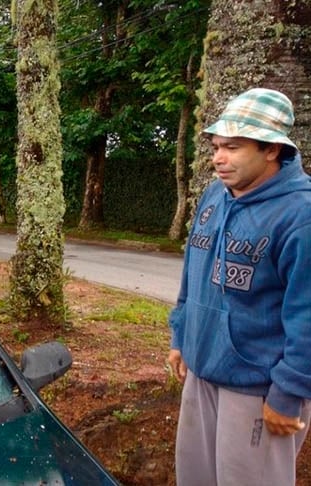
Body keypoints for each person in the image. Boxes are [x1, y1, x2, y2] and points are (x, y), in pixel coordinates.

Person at [167, 87, 311, 485]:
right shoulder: (215, 194)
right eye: (215, 146)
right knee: (194, 478)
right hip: (202, 371)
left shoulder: (300, 214)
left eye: (232, 146)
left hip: (257, 390)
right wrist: (181, 334)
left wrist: (289, 392)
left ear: (272, 150)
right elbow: (193, 270)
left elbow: (307, 314)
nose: (217, 158)